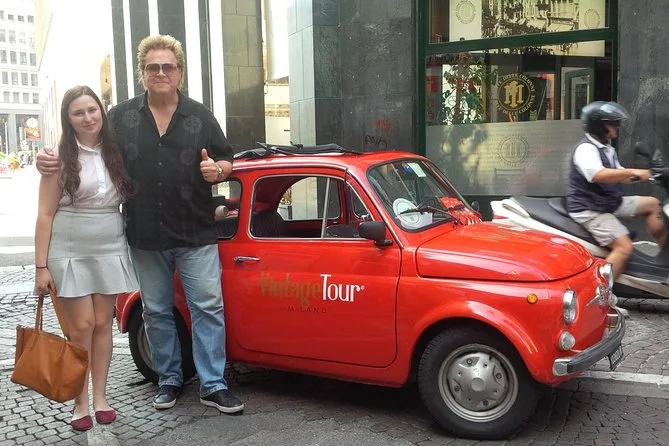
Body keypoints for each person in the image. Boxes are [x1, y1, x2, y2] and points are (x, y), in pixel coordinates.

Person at [36, 35, 243, 414]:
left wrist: (218, 170)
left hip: (195, 230)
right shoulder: (120, 117)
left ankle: (213, 384)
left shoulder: (200, 116)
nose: (160, 73)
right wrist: (47, 158)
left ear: (179, 72)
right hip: (144, 234)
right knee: (156, 310)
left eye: (167, 67)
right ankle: (169, 379)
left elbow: (227, 158)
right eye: (152, 67)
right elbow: (86, 144)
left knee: (208, 308)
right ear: (142, 73)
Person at [34, 85, 139, 431]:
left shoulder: (116, 152)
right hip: (69, 249)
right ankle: (79, 402)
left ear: (101, 112)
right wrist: (40, 267)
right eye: (78, 113)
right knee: (80, 327)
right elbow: (44, 214)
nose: (88, 118)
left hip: (110, 245)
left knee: (103, 324)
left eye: (92, 110)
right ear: (68, 118)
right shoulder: (58, 158)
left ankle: (101, 398)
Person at [567, 101, 667, 282]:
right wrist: (633, 172)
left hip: (609, 202)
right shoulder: (586, 149)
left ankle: (665, 259)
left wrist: (652, 174)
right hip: (590, 210)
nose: (617, 126)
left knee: (653, 204)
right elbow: (598, 174)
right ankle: (598, 292)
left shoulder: (607, 148)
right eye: (612, 123)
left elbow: (620, 175)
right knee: (624, 247)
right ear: (598, 125)